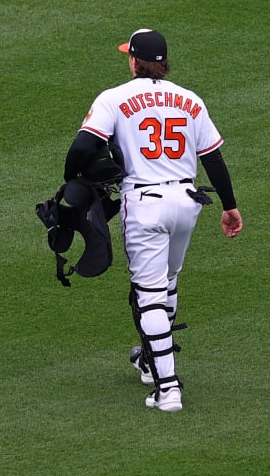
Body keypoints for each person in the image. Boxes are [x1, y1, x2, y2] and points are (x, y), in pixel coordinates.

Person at [64, 28, 241, 412]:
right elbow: (213, 158)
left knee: (148, 296)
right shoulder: (189, 100)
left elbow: (81, 147)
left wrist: (73, 182)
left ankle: (168, 388)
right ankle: (149, 358)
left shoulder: (114, 98)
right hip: (187, 202)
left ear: (133, 61)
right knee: (167, 283)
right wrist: (229, 205)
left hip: (144, 204)